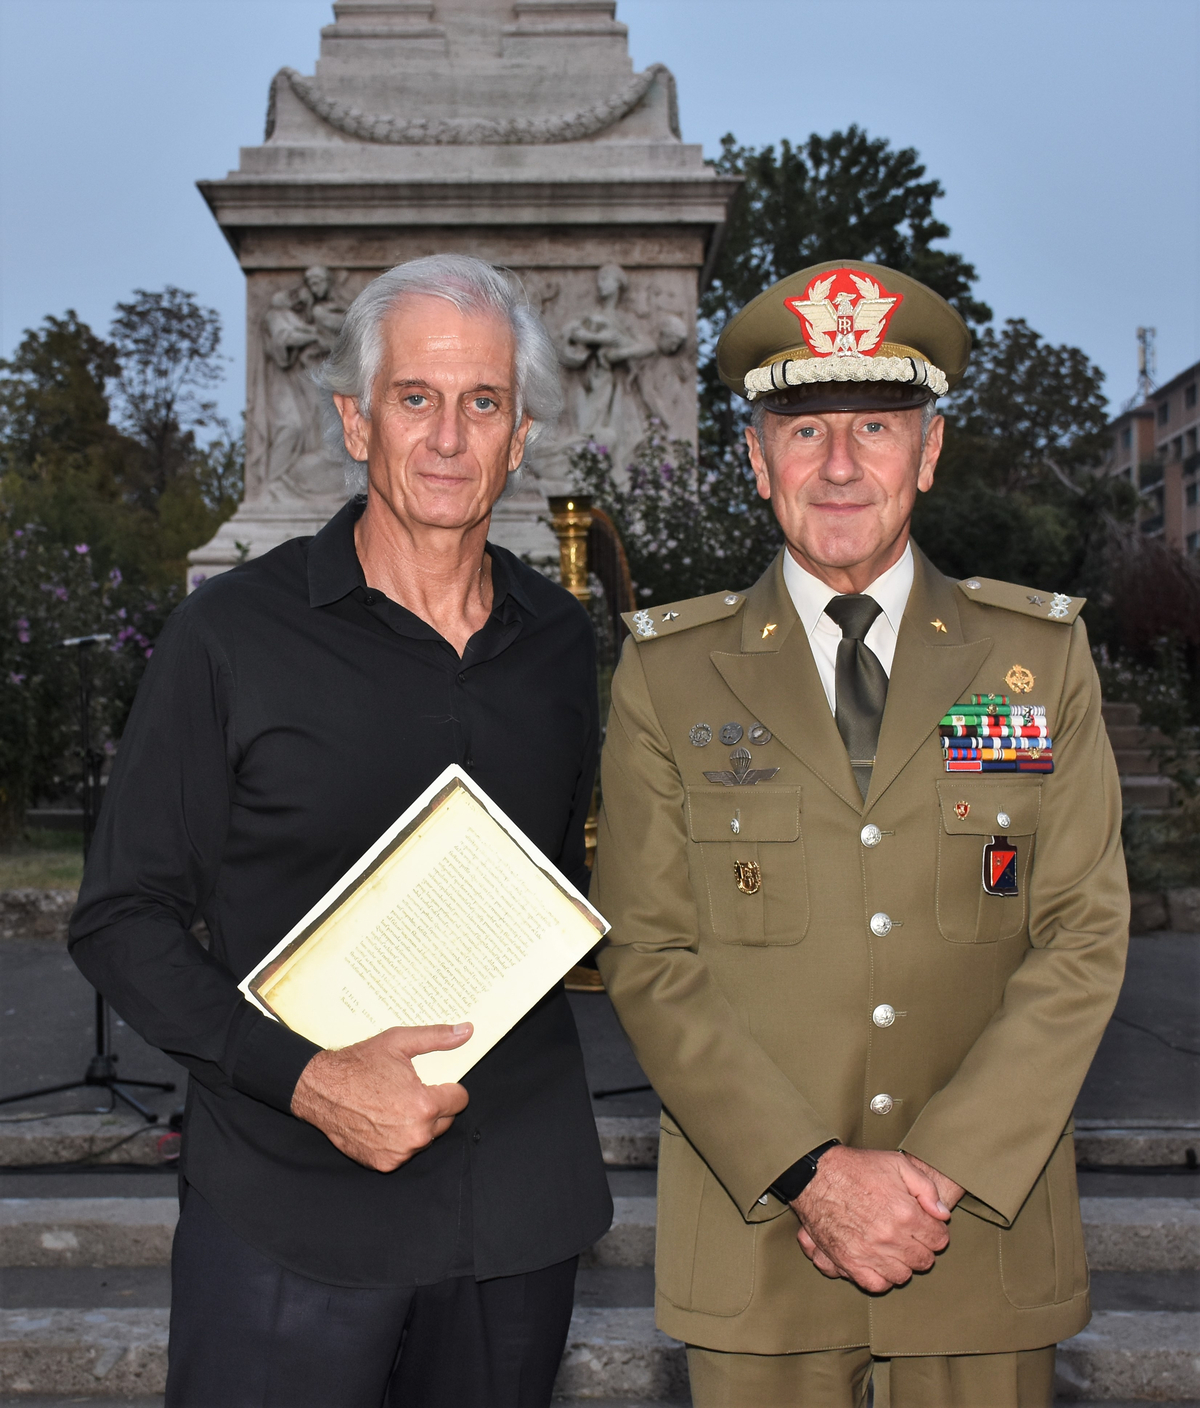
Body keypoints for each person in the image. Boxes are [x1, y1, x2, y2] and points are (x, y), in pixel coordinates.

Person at [70, 254, 612, 1408]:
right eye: (417, 398)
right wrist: (307, 1078)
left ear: (522, 437)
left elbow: (554, 880)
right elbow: (123, 918)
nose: (450, 437)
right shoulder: (229, 635)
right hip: (288, 1205)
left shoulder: (562, 644)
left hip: (512, 1216)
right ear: (356, 422)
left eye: (484, 403)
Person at [591, 259, 1128, 1408]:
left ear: (928, 454)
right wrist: (814, 1178)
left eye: (876, 428)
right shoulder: (669, 671)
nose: (840, 465)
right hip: (761, 1242)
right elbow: (650, 954)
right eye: (804, 429)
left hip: (976, 1235)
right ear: (754, 458)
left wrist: (932, 1175)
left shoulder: (1034, 662)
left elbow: (1081, 934)